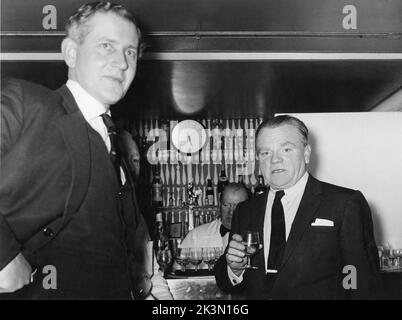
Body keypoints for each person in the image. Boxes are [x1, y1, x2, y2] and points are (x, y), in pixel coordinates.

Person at [0, 1, 148, 299]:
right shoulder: (27, 102)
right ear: (71, 52)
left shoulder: (115, 143)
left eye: (130, 52)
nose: (122, 62)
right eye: (107, 45)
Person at [214, 115, 381, 299]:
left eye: (286, 149)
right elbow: (226, 282)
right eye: (265, 153)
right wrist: (234, 268)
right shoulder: (245, 211)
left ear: (306, 152)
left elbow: (361, 280)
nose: (275, 160)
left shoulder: (344, 203)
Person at [118, 130, 173, 300]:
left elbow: (152, 275)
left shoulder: (137, 217)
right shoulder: (93, 214)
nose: (131, 167)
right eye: (125, 159)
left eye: (136, 160)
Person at [180, 183, 249, 269]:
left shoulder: (255, 239)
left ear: (248, 208)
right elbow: (178, 268)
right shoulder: (196, 236)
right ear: (219, 205)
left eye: (238, 206)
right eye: (226, 205)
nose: (231, 212)